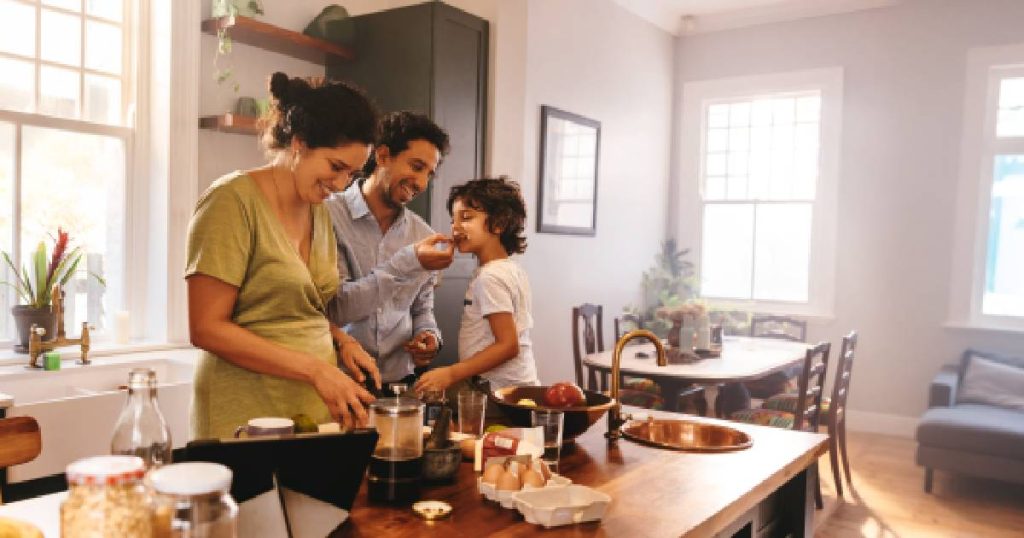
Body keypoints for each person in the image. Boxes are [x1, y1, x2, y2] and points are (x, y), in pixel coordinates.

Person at [185, 72, 381, 439]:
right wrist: (316, 370)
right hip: (244, 412)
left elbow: (292, 307)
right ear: (299, 142)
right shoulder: (231, 201)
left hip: (311, 410)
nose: (341, 185)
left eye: (352, 174)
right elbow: (206, 327)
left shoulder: (319, 210)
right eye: (335, 167)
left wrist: (341, 339)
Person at [326, 112, 454, 392]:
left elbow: (422, 308)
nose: (421, 183)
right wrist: (407, 262)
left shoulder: (424, 236)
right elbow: (337, 308)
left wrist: (428, 335)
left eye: (429, 174)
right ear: (383, 156)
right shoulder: (327, 216)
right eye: (416, 166)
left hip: (400, 385)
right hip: (341, 382)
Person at [414, 177, 539, 393]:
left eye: (466, 218)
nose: (455, 227)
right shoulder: (509, 269)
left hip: (498, 393)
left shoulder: (491, 277)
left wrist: (451, 373)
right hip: (514, 388)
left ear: (499, 223)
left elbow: (508, 345)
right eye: (453, 220)